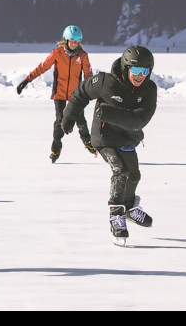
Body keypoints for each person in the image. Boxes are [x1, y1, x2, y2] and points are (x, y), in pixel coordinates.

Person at [61, 45, 157, 243]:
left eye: (144, 72)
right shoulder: (105, 82)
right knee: (120, 170)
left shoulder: (149, 90)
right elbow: (81, 92)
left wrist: (108, 113)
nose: (140, 76)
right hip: (103, 138)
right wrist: (69, 116)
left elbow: (139, 120)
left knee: (134, 175)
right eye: (136, 71)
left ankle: (129, 208)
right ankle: (116, 214)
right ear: (125, 68)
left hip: (128, 137)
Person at [15, 25, 95, 163]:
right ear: (66, 40)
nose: (74, 44)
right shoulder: (57, 53)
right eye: (72, 41)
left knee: (80, 120)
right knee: (59, 121)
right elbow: (42, 67)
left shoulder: (82, 56)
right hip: (59, 93)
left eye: (77, 42)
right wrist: (27, 80)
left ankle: (88, 142)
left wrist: (91, 90)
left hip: (76, 94)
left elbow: (88, 75)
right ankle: (56, 148)